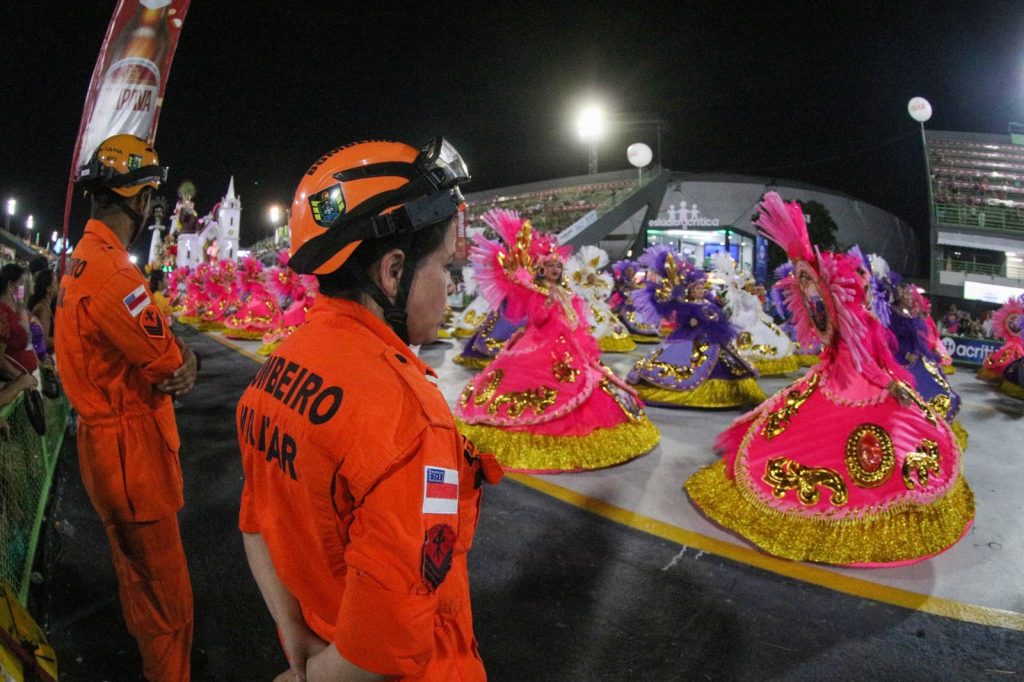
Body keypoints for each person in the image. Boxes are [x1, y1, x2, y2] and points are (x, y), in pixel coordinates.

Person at [237, 139, 501, 681]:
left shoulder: (274, 371)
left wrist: (298, 644)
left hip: (320, 641)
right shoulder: (409, 420)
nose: (451, 292)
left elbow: (256, 524)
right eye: (446, 268)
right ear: (392, 271)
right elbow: (383, 646)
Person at [687, 193, 973, 566]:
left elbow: (849, 352)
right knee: (882, 457)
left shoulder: (845, 318)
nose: (869, 291)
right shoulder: (861, 322)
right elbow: (868, 365)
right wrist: (891, 385)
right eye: (865, 285)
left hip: (831, 383)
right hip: (858, 391)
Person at [54, 134, 199, 681]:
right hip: (133, 459)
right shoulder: (116, 275)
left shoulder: (80, 263)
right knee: (168, 605)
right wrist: (185, 355)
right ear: (139, 200)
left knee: (138, 586)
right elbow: (169, 365)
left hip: (104, 451)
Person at [455, 209, 659, 472]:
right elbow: (537, 320)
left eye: (558, 266)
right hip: (539, 343)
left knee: (591, 382)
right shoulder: (538, 291)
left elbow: (575, 318)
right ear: (540, 268)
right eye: (550, 265)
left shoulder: (564, 290)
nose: (555, 269)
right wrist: (545, 301)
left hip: (571, 345)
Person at [0, 263, 38, 377]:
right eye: (21, 283)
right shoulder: (3, 314)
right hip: (11, 380)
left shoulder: (10, 311)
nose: (24, 287)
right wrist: (21, 378)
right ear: (11, 285)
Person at [28, 268, 56, 358]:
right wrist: (63, 341)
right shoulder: (42, 309)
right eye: (55, 283)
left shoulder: (45, 306)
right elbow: (44, 340)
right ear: (48, 289)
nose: (58, 285)